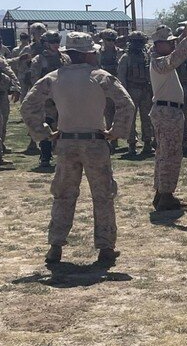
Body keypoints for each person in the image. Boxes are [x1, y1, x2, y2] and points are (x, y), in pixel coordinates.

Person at [20, 32, 134, 265]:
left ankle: (55, 246)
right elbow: (126, 104)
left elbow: (28, 106)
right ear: (88, 53)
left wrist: (43, 134)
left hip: (66, 142)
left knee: (63, 195)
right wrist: (116, 132)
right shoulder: (101, 77)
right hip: (95, 141)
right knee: (102, 195)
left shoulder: (53, 78)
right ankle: (105, 248)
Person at [149, 25, 187, 212]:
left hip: (168, 112)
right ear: (158, 44)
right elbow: (174, 59)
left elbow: (174, 56)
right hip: (167, 113)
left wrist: (183, 39)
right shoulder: (158, 62)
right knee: (170, 155)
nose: (172, 45)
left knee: (164, 154)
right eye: (168, 42)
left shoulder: (160, 60)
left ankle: (162, 194)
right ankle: (166, 196)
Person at [30, 30, 70, 168]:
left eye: (57, 42)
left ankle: (62, 155)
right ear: (45, 44)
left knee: (64, 127)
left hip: (63, 99)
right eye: (52, 42)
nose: (56, 45)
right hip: (47, 101)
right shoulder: (39, 60)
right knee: (46, 127)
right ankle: (46, 156)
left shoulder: (65, 59)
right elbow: (35, 81)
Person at [117, 31, 154, 156]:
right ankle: (132, 144)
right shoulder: (125, 58)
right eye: (136, 42)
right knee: (131, 119)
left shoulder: (146, 56)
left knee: (147, 118)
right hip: (131, 90)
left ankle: (147, 143)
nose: (138, 45)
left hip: (145, 90)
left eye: (140, 42)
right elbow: (121, 77)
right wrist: (124, 94)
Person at [98, 29, 120, 150]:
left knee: (119, 113)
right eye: (108, 40)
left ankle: (116, 137)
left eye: (113, 40)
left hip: (117, 86)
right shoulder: (98, 54)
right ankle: (110, 139)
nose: (110, 42)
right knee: (107, 114)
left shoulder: (120, 53)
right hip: (103, 88)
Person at [0, 57, 21, 166]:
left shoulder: (1, 61)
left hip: (2, 95)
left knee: (2, 125)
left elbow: (11, 75)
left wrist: (16, 88)